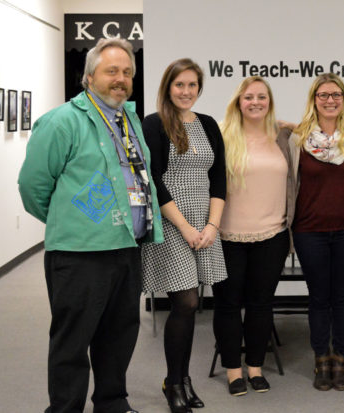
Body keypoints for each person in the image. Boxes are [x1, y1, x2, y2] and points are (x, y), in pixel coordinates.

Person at [18, 38, 163, 413]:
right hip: (79, 253)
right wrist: (69, 222)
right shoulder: (62, 121)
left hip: (126, 246)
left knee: (119, 335)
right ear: (89, 76)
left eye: (127, 72)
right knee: (73, 340)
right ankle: (65, 408)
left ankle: (112, 402)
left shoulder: (129, 119)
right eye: (111, 71)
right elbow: (33, 186)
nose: (121, 79)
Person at [140, 59, 227, 413]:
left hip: (204, 224)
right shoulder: (154, 123)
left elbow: (220, 178)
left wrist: (212, 226)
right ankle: (173, 381)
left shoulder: (207, 124)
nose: (186, 92)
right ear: (167, 87)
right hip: (172, 222)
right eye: (179, 85)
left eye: (192, 85)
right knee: (186, 302)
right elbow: (153, 179)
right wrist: (187, 228)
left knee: (191, 306)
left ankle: (183, 378)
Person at [212, 76, 293, 396]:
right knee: (228, 305)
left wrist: (293, 124)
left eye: (262, 97)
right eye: (249, 97)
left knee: (261, 304)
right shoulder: (220, 134)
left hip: (272, 234)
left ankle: (256, 367)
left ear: (270, 102)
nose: (255, 102)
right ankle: (233, 371)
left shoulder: (284, 135)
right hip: (227, 235)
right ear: (238, 102)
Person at [290, 73, 344, 391]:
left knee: (342, 298)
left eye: (336, 94)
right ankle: (322, 358)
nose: (330, 100)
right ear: (314, 99)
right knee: (319, 298)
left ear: (343, 98)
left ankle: (342, 359)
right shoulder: (298, 138)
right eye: (323, 95)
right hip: (310, 231)